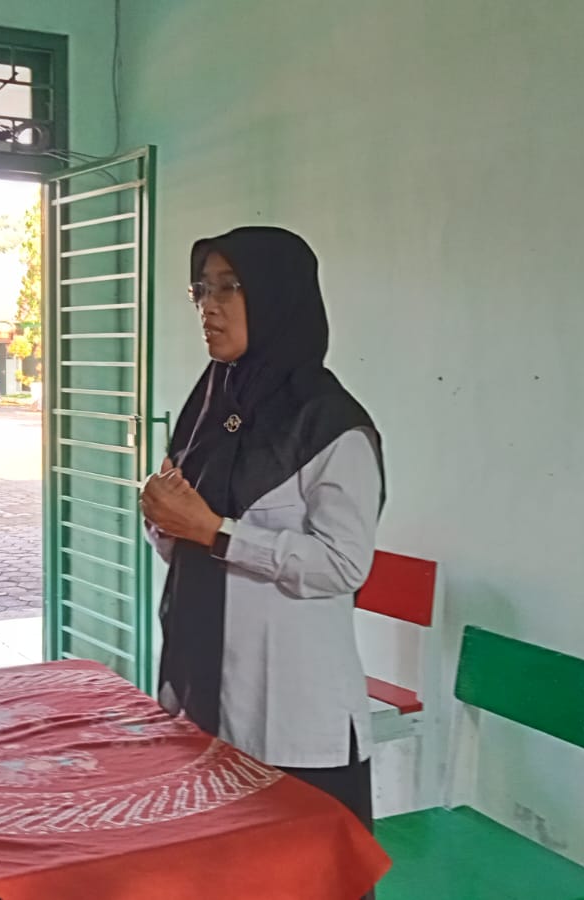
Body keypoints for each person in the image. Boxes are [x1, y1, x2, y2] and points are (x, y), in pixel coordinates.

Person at [141, 227, 384, 894]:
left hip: (290, 708)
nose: (209, 307)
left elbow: (342, 566)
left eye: (230, 288)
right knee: (218, 879)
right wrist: (164, 519)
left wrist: (215, 531)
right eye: (201, 289)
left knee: (301, 882)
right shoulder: (210, 407)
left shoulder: (331, 426)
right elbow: (182, 542)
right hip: (206, 690)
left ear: (278, 297)